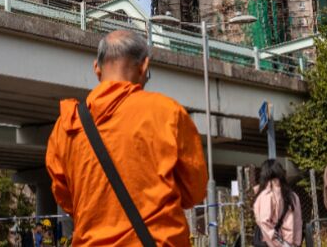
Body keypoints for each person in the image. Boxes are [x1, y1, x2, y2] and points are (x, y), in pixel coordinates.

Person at [46, 30, 207, 246]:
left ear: (97, 68)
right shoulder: (167, 113)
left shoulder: (66, 126)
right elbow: (193, 193)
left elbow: (66, 199)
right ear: (144, 66)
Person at [253, 159, 302, 247]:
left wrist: (279, 244)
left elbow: (264, 221)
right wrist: (295, 244)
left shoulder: (267, 194)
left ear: (264, 174)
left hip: (272, 243)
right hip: (291, 243)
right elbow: (298, 223)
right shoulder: (294, 196)